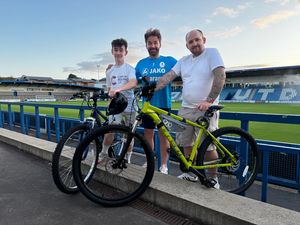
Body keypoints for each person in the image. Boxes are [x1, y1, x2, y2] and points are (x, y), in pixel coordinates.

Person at [155, 29, 226, 188]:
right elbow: (169, 76)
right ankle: (190, 173)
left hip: (206, 108)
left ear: (204, 40)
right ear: (186, 45)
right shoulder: (184, 60)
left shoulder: (212, 53)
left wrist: (209, 101)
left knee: (207, 146)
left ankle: (214, 178)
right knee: (186, 142)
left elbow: (220, 75)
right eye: (190, 42)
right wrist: (152, 88)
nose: (194, 43)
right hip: (186, 108)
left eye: (197, 40)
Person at [136, 28, 177, 174]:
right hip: (147, 106)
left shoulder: (170, 61)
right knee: (148, 134)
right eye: (149, 43)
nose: (152, 45)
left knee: (164, 136)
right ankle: (149, 161)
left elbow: (186, 69)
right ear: (146, 45)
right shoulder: (140, 64)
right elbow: (134, 79)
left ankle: (164, 166)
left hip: (164, 105)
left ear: (160, 43)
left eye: (155, 42)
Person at [99, 38, 137, 164]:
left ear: (125, 52)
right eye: (116, 50)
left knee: (129, 134)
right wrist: (110, 100)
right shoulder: (109, 71)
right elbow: (110, 88)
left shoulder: (130, 69)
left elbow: (133, 82)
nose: (118, 53)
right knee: (110, 131)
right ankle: (103, 154)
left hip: (130, 105)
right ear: (112, 51)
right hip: (116, 106)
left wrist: (119, 89)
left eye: (121, 50)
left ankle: (128, 159)